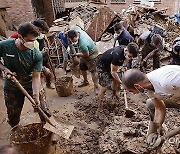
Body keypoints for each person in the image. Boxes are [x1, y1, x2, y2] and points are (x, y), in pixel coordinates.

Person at [0, 22, 50, 127]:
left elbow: (36, 77)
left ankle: (47, 128)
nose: (32, 43)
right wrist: (4, 69)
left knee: (43, 108)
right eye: (29, 40)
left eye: (34, 40)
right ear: (20, 37)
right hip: (12, 85)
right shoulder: (5, 46)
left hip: (30, 83)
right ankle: (15, 130)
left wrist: (36, 95)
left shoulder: (36, 54)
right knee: (13, 115)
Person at [122, 65, 180, 147]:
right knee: (150, 103)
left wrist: (165, 138)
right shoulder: (147, 88)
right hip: (177, 98)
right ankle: (157, 134)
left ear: (137, 86)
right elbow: (159, 108)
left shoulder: (168, 81)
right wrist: (157, 127)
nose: (133, 94)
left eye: (131, 91)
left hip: (175, 95)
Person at [97, 42, 139, 110]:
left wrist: (122, 67)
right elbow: (113, 72)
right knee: (104, 88)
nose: (130, 58)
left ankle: (114, 94)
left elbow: (120, 64)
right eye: (130, 56)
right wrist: (122, 83)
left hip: (112, 64)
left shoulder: (125, 49)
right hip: (103, 66)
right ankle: (100, 107)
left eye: (132, 57)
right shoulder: (118, 56)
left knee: (115, 81)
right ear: (126, 51)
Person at [67, 26, 99, 94]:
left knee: (93, 71)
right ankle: (85, 81)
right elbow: (75, 26)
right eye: (71, 41)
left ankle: (96, 87)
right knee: (82, 68)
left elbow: (86, 55)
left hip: (91, 55)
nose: (73, 42)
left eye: (74, 40)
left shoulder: (82, 44)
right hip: (83, 54)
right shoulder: (77, 30)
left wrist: (76, 54)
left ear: (76, 36)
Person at [31, 20, 55, 89]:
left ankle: (48, 83)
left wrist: (48, 47)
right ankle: (39, 88)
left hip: (43, 54)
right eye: (41, 31)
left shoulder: (41, 34)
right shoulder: (32, 36)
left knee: (49, 70)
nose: (41, 33)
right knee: (38, 73)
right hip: (36, 56)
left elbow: (46, 39)